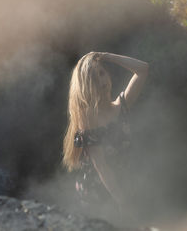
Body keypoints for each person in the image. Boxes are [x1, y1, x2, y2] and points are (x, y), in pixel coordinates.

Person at [62, 51, 148, 222]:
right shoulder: (88, 119)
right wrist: (123, 202)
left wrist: (106, 56)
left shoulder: (121, 106)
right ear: (86, 86)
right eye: (94, 79)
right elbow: (102, 167)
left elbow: (143, 69)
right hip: (99, 192)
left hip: (124, 181)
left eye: (102, 73)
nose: (101, 81)